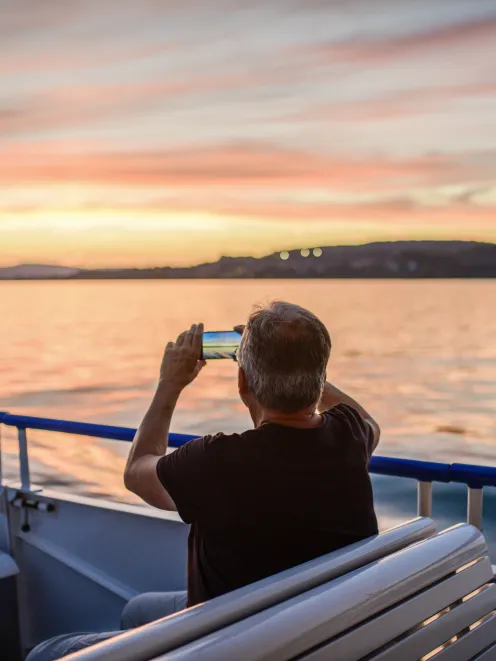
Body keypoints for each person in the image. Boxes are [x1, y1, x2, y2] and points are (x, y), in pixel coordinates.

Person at [27, 301, 379, 660]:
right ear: (319, 378)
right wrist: (301, 368)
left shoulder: (216, 461)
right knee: (137, 610)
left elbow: (136, 473)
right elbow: (371, 423)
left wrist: (170, 383)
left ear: (243, 381)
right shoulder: (350, 435)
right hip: (320, 626)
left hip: (228, 639)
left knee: (44, 652)